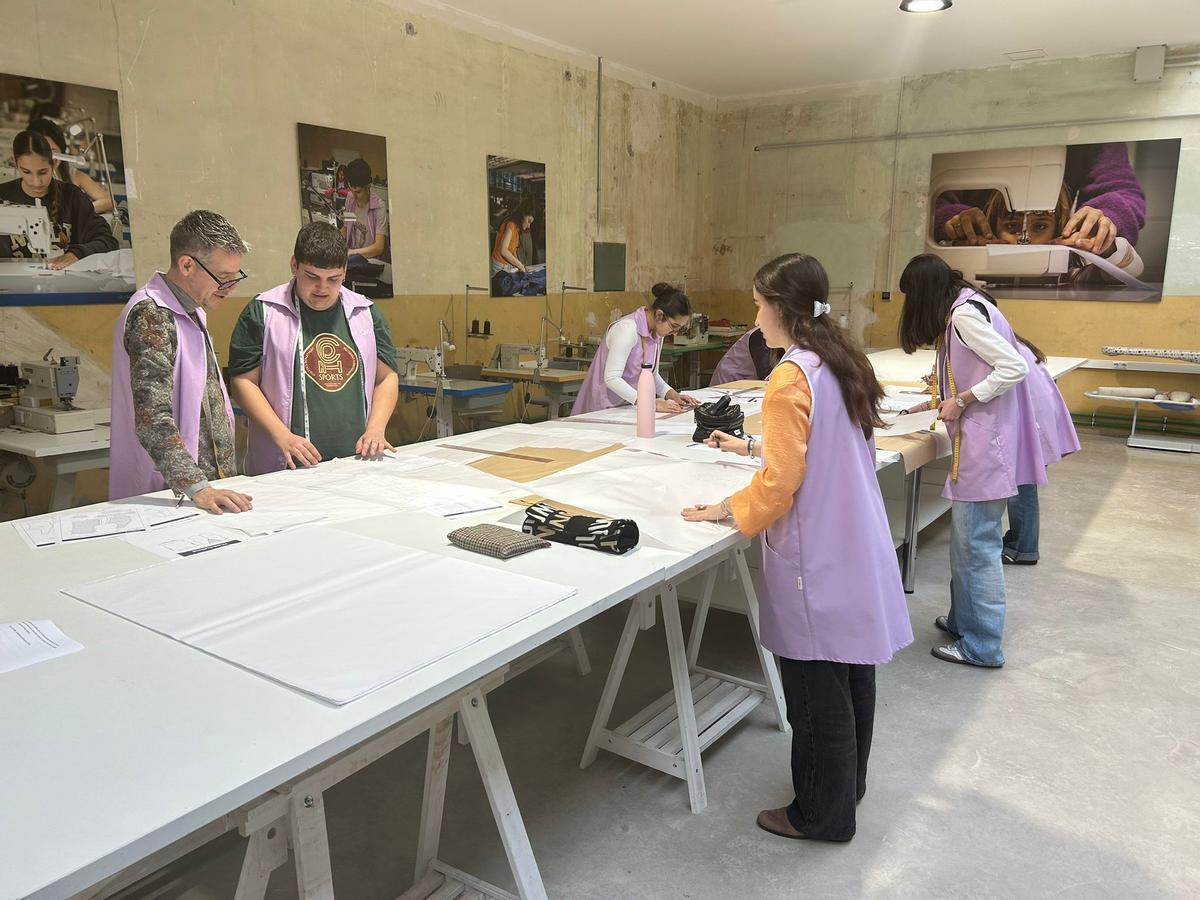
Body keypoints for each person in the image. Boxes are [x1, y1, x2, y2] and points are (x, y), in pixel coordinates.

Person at [682, 253, 912, 842]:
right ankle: (847, 785)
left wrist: (729, 509)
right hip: (854, 539)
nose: (754, 319)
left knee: (812, 692)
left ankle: (821, 814)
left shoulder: (788, 375)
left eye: (758, 306)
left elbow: (783, 484)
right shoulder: (837, 360)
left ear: (781, 308)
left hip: (816, 555)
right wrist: (752, 450)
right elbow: (820, 445)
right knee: (851, 672)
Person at [896, 253, 1050, 668]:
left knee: (976, 545)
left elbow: (1012, 366)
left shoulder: (962, 317)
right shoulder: (968, 305)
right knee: (966, 544)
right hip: (987, 440)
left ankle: (981, 645)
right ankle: (964, 621)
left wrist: (963, 398)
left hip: (985, 446)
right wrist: (940, 396)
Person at [109, 210, 252, 514]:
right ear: (187, 265)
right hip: (179, 493)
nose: (232, 288)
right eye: (223, 279)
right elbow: (152, 419)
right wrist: (198, 486)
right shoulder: (152, 315)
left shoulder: (191, 310)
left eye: (235, 277)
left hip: (205, 489)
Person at [227, 222, 400, 474]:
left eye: (334, 279)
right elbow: (243, 382)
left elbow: (386, 377)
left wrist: (376, 428)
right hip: (285, 462)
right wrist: (282, 436)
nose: (323, 288)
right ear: (294, 265)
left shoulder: (366, 312)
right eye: (312, 277)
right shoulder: (263, 311)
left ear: (344, 272)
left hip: (356, 458)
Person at [935, 142, 1147, 256]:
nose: (1023, 241)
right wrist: (954, 221)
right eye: (1012, 225)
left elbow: (1121, 188)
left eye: (1040, 225)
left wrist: (1101, 226)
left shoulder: (1100, 123)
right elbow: (926, 199)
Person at [1002, 335, 1081, 564]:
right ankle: (1020, 539)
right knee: (1024, 483)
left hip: (1031, 418)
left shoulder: (1001, 343)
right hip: (1038, 414)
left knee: (1022, 485)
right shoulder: (1014, 342)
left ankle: (1023, 549)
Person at [571, 283, 700, 415]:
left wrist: (671, 393)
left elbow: (651, 374)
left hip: (626, 407)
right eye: (674, 326)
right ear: (659, 315)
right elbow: (612, 378)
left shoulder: (657, 334)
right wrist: (649, 403)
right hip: (602, 408)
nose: (675, 333)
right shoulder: (626, 329)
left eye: (680, 329)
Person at [0, 130, 117, 269]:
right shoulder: (2, 195)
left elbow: (107, 241)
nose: (36, 182)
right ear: (15, 163)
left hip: (65, 282)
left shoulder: (72, 196)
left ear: (54, 164)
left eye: (43, 172)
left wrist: (77, 253)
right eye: (26, 172)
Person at [26, 118, 115, 214]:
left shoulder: (74, 175)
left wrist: (78, 210)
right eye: (41, 151)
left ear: (62, 150)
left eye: (53, 151)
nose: (48, 157)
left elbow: (109, 201)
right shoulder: (22, 178)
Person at [343, 158, 389, 267]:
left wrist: (351, 252)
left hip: (370, 262)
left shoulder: (378, 206)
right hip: (351, 259)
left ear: (368, 186)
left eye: (358, 192)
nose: (354, 195)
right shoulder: (350, 198)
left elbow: (378, 247)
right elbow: (346, 229)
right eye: (351, 190)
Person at [709, 326, 778, 385]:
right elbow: (765, 373)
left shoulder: (780, 335)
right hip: (730, 380)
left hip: (747, 381)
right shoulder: (761, 334)